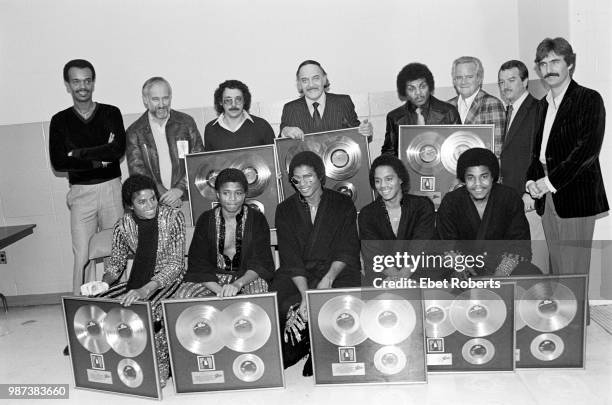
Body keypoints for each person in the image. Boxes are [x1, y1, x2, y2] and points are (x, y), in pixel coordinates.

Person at [271, 151, 361, 376]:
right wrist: (305, 295)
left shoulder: (342, 203)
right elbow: (290, 257)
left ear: (320, 176)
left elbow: (347, 248)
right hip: (299, 272)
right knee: (280, 298)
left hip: (336, 269)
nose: (303, 183)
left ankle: (321, 349)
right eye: (296, 179)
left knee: (342, 303)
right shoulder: (284, 210)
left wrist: (328, 278)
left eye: (308, 177)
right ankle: (301, 345)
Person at [526, 37, 608, 275]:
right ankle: (562, 313)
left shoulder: (589, 98)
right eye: (543, 63)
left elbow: (586, 151)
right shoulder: (542, 104)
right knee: (558, 267)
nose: (548, 69)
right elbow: (536, 151)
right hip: (546, 194)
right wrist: (532, 181)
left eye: (555, 61)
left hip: (575, 195)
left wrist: (549, 182)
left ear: (570, 64)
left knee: (573, 269)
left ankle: (579, 314)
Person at [99, 174, 186, 388]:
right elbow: (116, 264)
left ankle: (159, 370)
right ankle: (117, 360)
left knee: (151, 308)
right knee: (100, 302)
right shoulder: (123, 225)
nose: (150, 205)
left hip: (168, 280)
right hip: (138, 278)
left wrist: (146, 290)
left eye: (153, 199)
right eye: (142, 201)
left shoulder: (174, 217)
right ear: (130, 205)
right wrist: (103, 282)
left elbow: (175, 265)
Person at [49, 59, 125, 295]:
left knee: (118, 248)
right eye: (76, 81)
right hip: (81, 194)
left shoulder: (111, 113)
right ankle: (82, 304)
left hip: (112, 189)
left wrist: (78, 154)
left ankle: (121, 300)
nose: (82, 86)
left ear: (93, 83)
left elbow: (116, 152)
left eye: (87, 81)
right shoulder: (60, 121)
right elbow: (59, 162)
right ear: (67, 85)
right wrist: (98, 158)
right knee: (82, 253)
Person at [437, 148, 537, 277]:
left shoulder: (509, 197)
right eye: (471, 178)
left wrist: (501, 273)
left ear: (492, 176)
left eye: (484, 177)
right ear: (464, 179)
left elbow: (519, 242)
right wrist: (460, 267)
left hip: (504, 265)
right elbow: (445, 243)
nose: (478, 184)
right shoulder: (451, 201)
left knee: (530, 274)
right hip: (463, 266)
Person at [174, 168, 274, 298]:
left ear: (244, 195)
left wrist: (237, 284)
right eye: (226, 193)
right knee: (183, 295)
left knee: (259, 297)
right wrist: (220, 291)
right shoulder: (206, 219)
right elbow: (198, 263)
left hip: (246, 277)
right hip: (211, 278)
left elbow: (260, 262)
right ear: (218, 194)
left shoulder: (257, 219)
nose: (232, 199)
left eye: (238, 193)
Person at [497, 59, 548, 273]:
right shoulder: (508, 111)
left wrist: (531, 192)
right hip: (511, 197)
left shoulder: (537, 110)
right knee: (519, 255)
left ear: (525, 81)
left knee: (536, 253)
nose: (505, 86)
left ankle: (543, 300)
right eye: (501, 82)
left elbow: (540, 156)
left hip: (529, 198)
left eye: (511, 80)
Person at [126, 76, 204, 210]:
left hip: (187, 199)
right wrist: (165, 195)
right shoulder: (134, 132)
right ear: (145, 100)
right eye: (155, 99)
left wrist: (179, 189)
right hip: (154, 203)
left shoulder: (186, 123)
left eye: (165, 98)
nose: (162, 104)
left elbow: (199, 157)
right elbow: (137, 171)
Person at [358, 155, 436, 283]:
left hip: (419, 274)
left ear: (400, 179)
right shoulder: (367, 214)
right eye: (378, 181)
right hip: (383, 277)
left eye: (389, 179)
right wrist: (398, 280)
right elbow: (374, 254)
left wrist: (403, 278)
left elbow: (421, 244)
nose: (383, 185)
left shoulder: (422, 206)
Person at [280, 60, 373, 139]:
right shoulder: (290, 109)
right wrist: (285, 132)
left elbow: (359, 136)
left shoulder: (343, 102)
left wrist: (366, 131)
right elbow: (281, 147)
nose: (311, 85)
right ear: (299, 84)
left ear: (324, 79)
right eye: (305, 80)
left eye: (315, 78)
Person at [381, 62, 460, 156]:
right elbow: (389, 153)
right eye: (411, 89)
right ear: (404, 91)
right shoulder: (394, 117)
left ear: (429, 86)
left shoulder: (449, 111)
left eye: (422, 86)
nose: (418, 93)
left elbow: (458, 147)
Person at [448, 56, 506, 157]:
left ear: (479, 79)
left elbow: (497, 150)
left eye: (469, 77)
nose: (463, 82)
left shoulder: (492, 104)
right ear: (454, 81)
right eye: (459, 77)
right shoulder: (448, 106)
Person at [203, 80, 275, 151]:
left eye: (238, 99)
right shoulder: (210, 129)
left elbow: (275, 159)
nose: (233, 104)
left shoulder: (262, 126)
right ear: (220, 102)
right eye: (228, 100)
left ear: (244, 101)